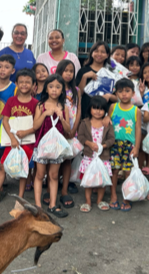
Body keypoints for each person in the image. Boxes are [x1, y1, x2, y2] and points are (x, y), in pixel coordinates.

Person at [0, 68, 38, 205]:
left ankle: (20, 199)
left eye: (28, 82)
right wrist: (13, 138)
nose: (24, 85)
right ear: (16, 84)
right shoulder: (11, 101)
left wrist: (26, 132)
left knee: (23, 169)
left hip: (27, 142)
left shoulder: (35, 103)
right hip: (11, 140)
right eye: (21, 82)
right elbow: (5, 121)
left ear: (34, 85)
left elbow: (37, 124)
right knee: (2, 166)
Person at [33, 74, 72, 218]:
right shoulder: (40, 105)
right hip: (42, 146)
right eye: (51, 87)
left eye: (58, 87)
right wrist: (44, 114)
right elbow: (35, 126)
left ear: (62, 90)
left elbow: (68, 130)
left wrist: (61, 117)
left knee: (54, 175)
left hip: (56, 148)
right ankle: (37, 206)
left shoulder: (64, 107)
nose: (54, 90)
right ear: (46, 89)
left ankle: (53, 205)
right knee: (39, 174)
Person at [109, 78, 142, 212]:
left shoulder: (136, 110)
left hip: (129, 145)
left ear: (133, 93)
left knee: (128, 171)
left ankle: (126, 196)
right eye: (120, 91)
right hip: (114, 144)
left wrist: (137, 147)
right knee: (114, 170)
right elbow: (108, 122)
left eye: (127, 91)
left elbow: (138, 129)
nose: (124, 94)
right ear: (116, 93)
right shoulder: (113, 107)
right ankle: (113, 195)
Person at [77, 96, 115, 212]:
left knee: (101, 180)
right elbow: (80, 136)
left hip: (103, 157)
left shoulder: (107, 124)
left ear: (105, 110)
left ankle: (99, 200)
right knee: (88, 180)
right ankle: (88, 201)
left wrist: (102, 146)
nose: (98, 111)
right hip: (89, 156)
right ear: (90, 109)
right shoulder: (85, 122)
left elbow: (111, 139)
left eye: (101, 109)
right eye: (95, 108)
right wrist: (89, 143)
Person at [57, 60, 81, 208]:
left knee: (67, 160)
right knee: (55, 159)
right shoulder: (55, 88)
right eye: (65, 70)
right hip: (58, 129)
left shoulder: (76, 90)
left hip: (72, 130)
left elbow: (78, 111)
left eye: (71, 71)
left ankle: (64, 190)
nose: (68, 73)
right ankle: (52, 187)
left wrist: (74, 130)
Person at [0, 54, 17, 163]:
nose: (2, 69)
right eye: (0, 66)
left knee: (2, 162)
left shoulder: (15, 89)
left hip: (5, 131)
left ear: (13, 71)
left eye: (6, 67)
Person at [76, 41, 115, 118]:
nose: (99, 54)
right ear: (91, 53)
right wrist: (84, 77)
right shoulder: (83, 71)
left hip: (105, 114)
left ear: (107, 55)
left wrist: (109, 96)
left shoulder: (111, 73)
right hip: (86, 113)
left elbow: (118, 97)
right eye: (96, 51)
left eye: (103, 52)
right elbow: (78, 94)